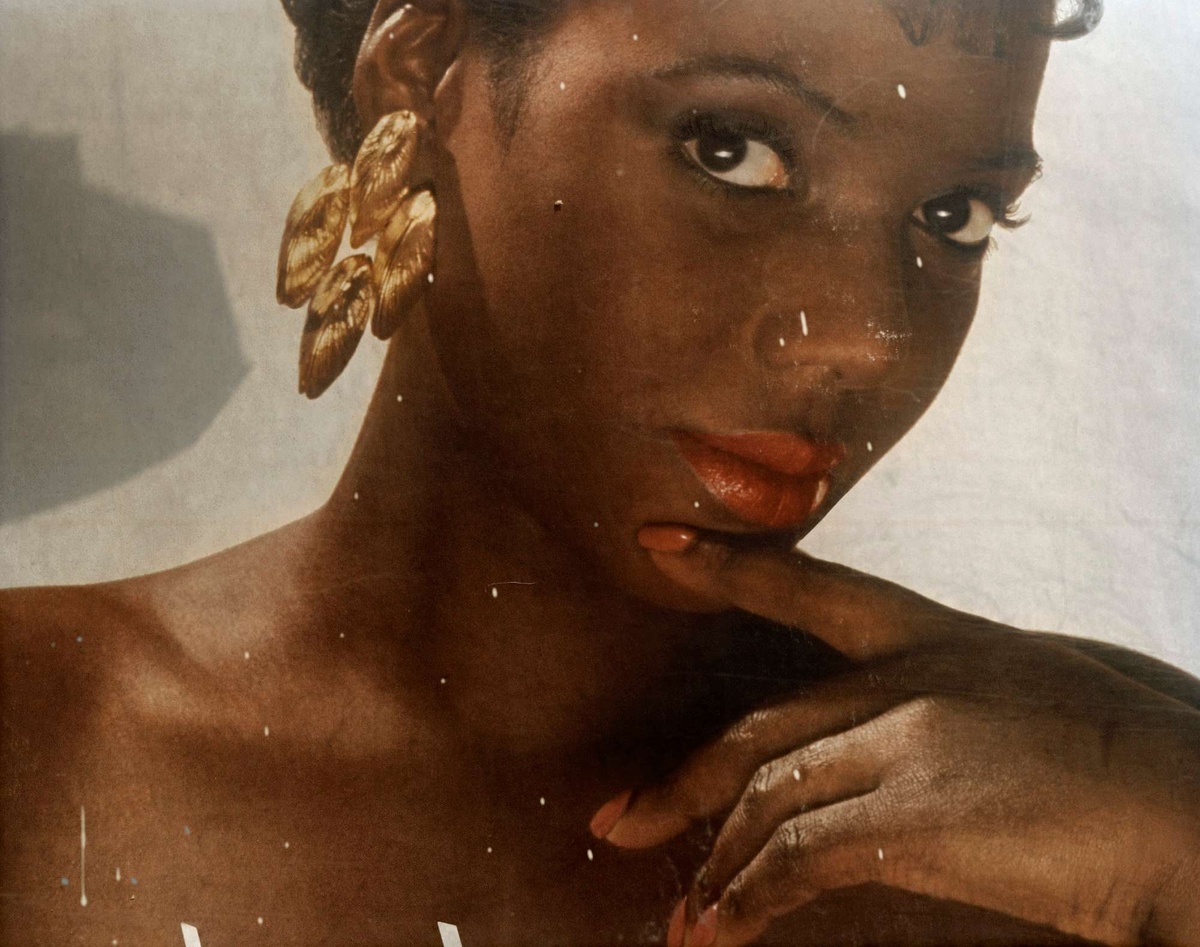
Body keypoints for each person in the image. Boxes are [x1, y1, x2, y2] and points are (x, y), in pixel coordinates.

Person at [2, 0, 1198, 944]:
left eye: (955, 216)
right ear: (421, 69)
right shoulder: (37, 740)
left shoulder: (1109, 791)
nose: (867, 335)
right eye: (732, 151)